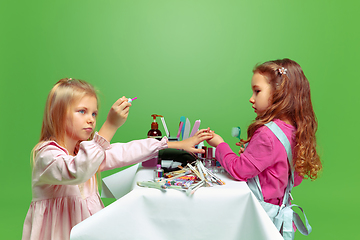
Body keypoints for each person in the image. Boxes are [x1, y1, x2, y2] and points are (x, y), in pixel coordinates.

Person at [22, 78, 212, 240]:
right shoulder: (46, 155)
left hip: (85, 230)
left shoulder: (85, 151)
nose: (91, 119)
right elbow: (78, 171)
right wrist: (110, 126)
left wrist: (175, 145)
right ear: (58, 114)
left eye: (94, 113)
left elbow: (125, 151)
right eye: (82, 111)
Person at [206, 58, 322, 238]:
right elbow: (293, 178)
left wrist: (220, 144)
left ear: (279, 94)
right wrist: (256, 158)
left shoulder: (267, 134)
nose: (251, 99)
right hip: (277, 215)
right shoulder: (294, 130)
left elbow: (238, 170)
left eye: (257, 91)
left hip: (260, 215)